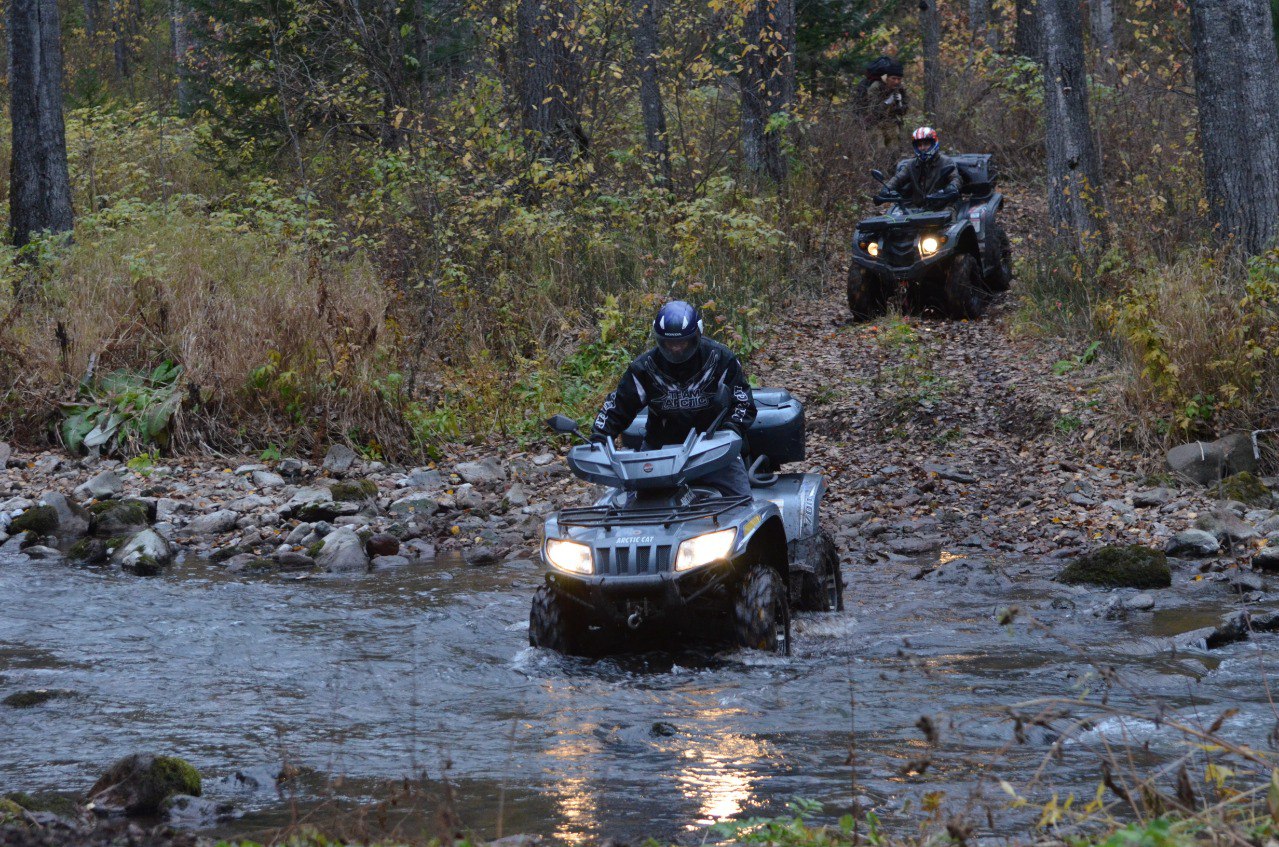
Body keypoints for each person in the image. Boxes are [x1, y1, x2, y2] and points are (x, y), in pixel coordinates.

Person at [592, 300, 757, 498]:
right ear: (659, 340)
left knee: (742, 504)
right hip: (659, 452)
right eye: (670, 343)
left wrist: (731, 430)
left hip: (713, 448)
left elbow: (743, 402)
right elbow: (618, 406)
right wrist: (599, 439)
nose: (676, 349)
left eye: (682, 342)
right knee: (629, 509)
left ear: (697, 335)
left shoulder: (721, 359)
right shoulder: (644, 368)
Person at [878, 126, 962, 208]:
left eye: (926, 144)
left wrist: (952, 187)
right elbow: (898, 179)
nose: (922, 148)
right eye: (919, 145)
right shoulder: (911, 164)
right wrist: (886, 189)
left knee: (951, 217)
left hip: (942, 206)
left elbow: (955, 178)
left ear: (934, 143)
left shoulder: (946, 161)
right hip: (917, 208)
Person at [855, 56, 908, 153]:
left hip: (892, 125)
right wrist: (888, 101)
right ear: (886, 78)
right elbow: (873, 111)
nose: (896, 81)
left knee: (894, 151)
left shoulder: (900, 89)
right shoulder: (876, 87)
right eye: (894, 78)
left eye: (899, 79)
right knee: (879, 152)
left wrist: (900, 103)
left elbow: (903, 111)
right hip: (874, 125)